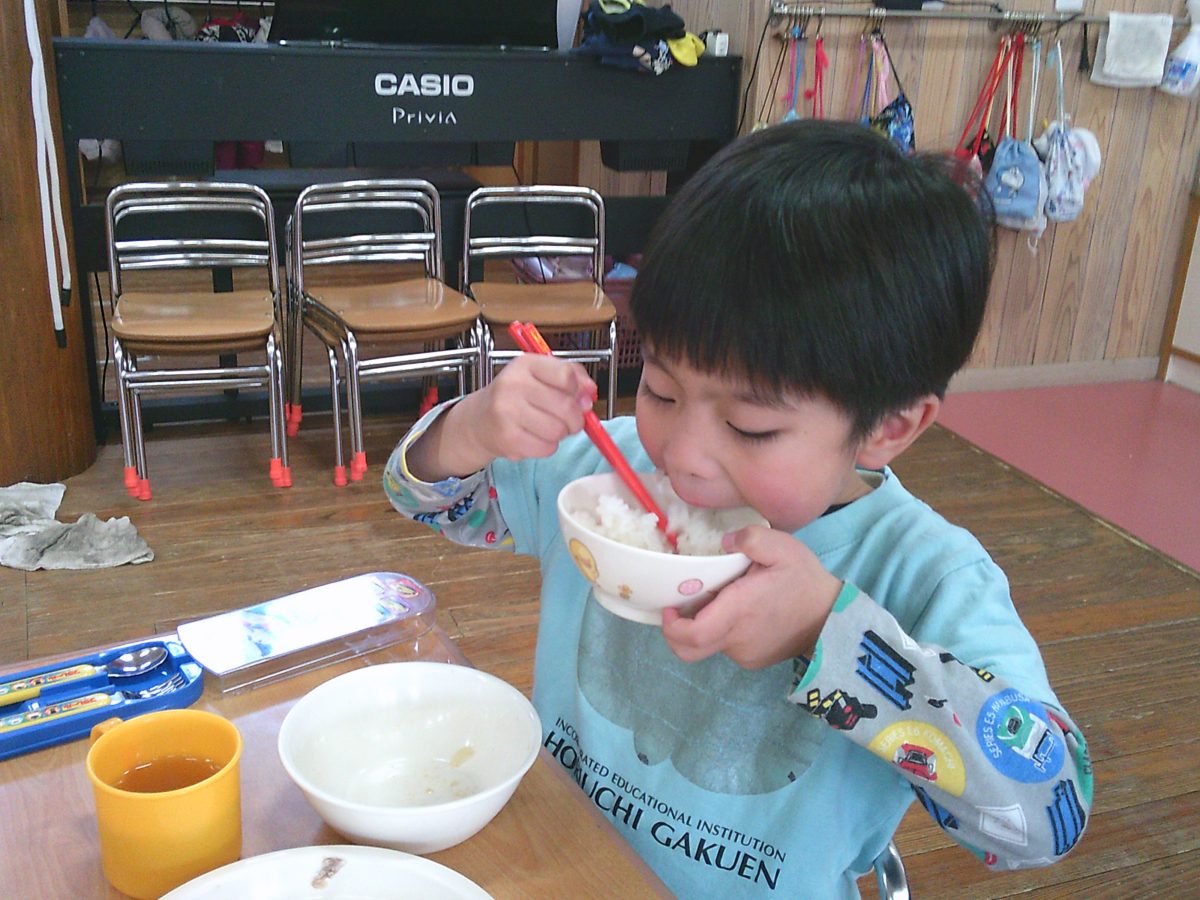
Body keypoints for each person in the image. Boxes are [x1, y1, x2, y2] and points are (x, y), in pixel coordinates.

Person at [384, 120, 1092, 897]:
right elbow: (429, 499)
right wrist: (471, 428)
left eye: (751, 426)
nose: (683, 453)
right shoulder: (606, 470)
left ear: (889, 426)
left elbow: (1045, 819)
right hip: (556, 869)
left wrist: (829, 635)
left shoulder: (924, 573)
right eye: (661, 387)